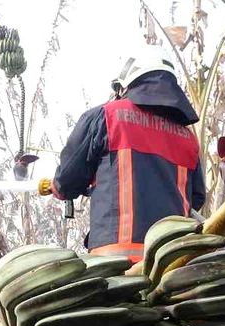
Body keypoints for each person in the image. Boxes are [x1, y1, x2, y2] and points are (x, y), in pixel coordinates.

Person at [49, 47, 205, 263]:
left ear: (125, 85)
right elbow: (196, 198)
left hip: (114, 265)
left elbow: (67, 180)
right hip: (171, 264)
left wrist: (57, 187)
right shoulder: (188, 139)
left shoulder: (106, 116)